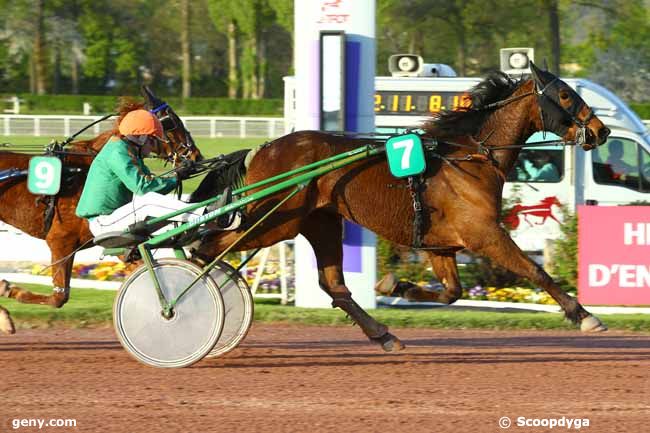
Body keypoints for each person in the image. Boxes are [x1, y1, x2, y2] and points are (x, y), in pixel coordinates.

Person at [76, 109, 239, 237]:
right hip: (103, 223)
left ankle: (209, 220)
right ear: (140, 138)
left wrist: (182, 173)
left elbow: (153, 184)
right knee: (147, 202)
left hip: (117, 218)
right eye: (153, 140)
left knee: (163, 210)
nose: (154, 146)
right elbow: (144, 188)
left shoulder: (130, 153)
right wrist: (176, 177)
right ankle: (210, 214)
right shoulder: (117, 152)